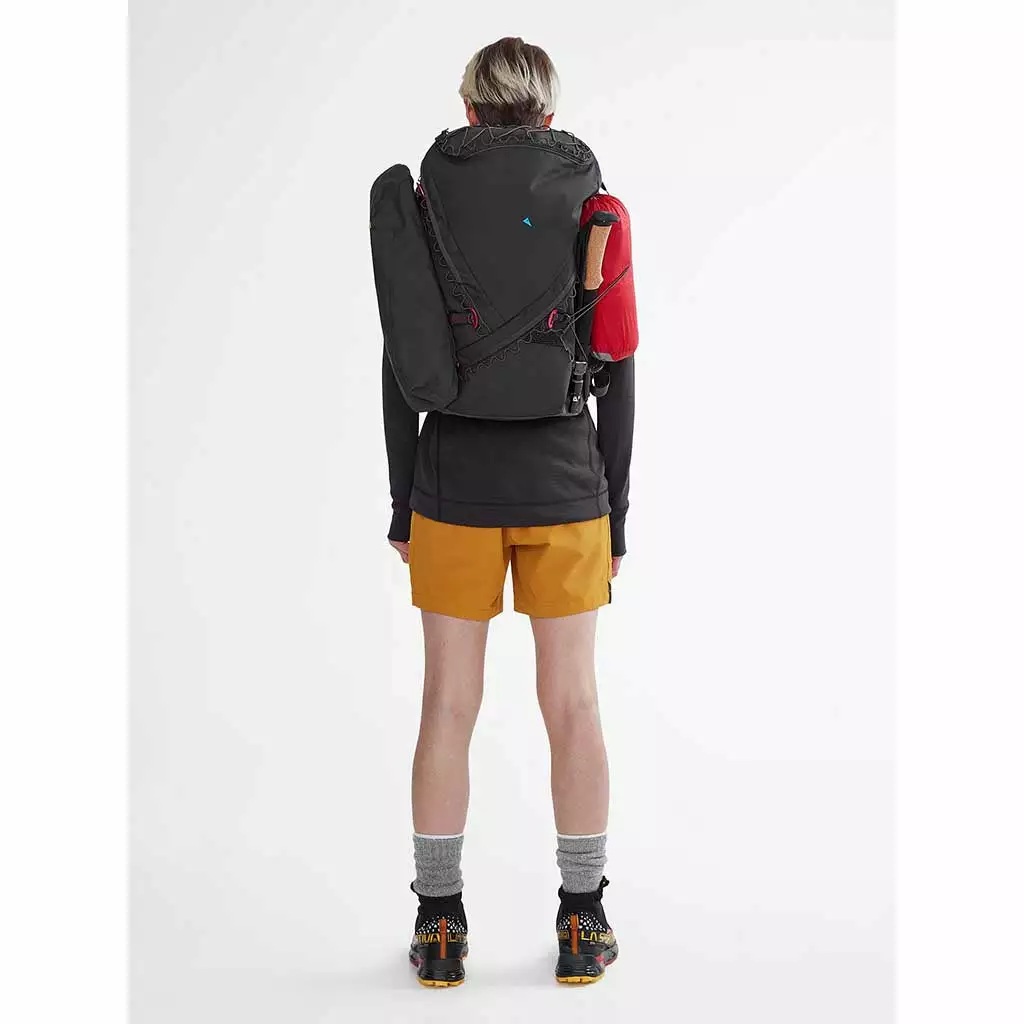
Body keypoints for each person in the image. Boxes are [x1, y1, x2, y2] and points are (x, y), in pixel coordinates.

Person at [381, 36, 635, 987]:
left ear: (468, 109)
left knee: (447, 704)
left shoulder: (427, 200)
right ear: (549, 115)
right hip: (567, 487)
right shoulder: (592, 201)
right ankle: (583, 918)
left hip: (452, 488)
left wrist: (404, 502)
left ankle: (440, 925)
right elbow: (620, 361)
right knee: (573, 704)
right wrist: (616, 511)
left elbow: (401, 365)